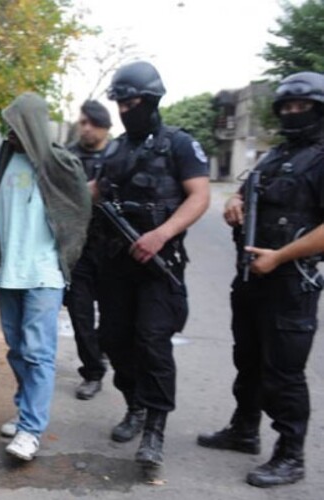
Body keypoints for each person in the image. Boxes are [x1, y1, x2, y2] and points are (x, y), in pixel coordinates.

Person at [197, 72, 324, 488]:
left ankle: (291, 456)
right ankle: (244, 430)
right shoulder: (276, 156)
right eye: (285, 107)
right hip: (252, 278)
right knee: (248, 362)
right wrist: (234, 201)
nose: (291, 114)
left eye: (300, 107)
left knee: (283, 374)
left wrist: (281, 256)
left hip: (290, 283)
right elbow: (247, 189)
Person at [89, 61, 210, 470]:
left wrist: (162, 233)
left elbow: (199, 197)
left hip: (160, 263)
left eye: (133, 101)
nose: (125, 109)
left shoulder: (178, 144)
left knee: (153, 342)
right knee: (114, 339)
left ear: (152, 99)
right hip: (116, 264)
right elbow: (95, 192)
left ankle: (154, 428)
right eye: (120, 103)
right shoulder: (115, 149)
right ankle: (134, 405)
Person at [0, 92, 91, 461]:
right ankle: (26, 410)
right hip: (10, 271)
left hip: (44, 273)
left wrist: (66, 256)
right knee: (17, 350)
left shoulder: (59, 165)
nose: (10, 131)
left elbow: (79, 211)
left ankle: (31, 429)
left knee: (39, 354)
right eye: (8, 125)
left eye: (17, 125)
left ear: (32, 126)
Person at [65, 100, 113, 400]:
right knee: (79, 314)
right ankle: (92, 372)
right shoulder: (68, 156)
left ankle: (103, 349)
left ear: (105, 125)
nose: (85, 128)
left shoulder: (119, 155)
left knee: (112, 318)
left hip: (113, 250)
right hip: (77, 250)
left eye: (91, 122)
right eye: (82, 122)